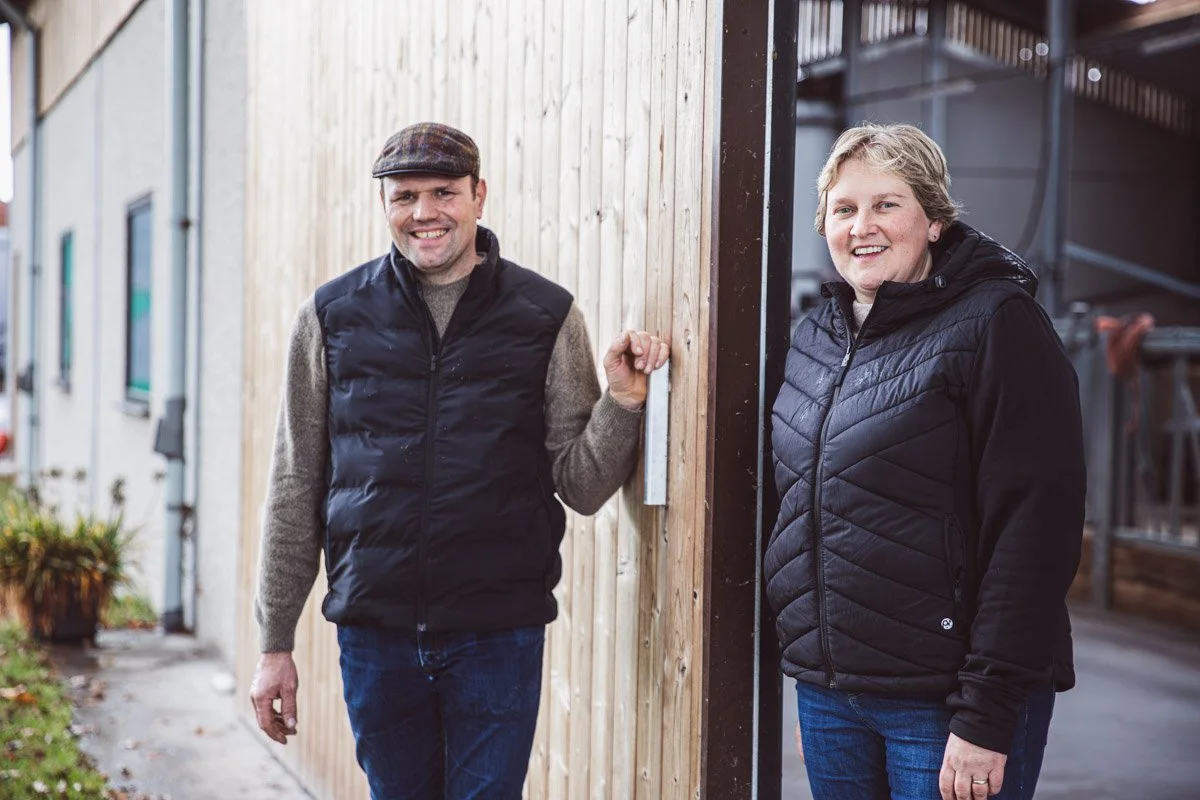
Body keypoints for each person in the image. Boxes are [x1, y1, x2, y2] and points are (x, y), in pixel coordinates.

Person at [249, 122, 669, 799]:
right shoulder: (330, 317)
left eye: (443, 192)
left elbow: (583, 485)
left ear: (479, 195)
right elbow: (295, 487)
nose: (424, 213)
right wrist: (275, 646)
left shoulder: (545, 316)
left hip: (497, 636)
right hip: (375, 635)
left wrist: (621, 402)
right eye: (404, 196)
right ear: (384, 205)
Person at [766, 122, 1084, 800]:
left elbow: (1035, 530)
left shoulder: (998, 323)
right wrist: (821, 673)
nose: (863, 226)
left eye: (888, 204)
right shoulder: (815, 338)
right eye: (845, 209)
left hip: (945, 705)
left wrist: (987, 713)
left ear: (935, 219)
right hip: (833, 697)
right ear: (823, 222)